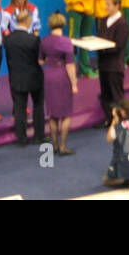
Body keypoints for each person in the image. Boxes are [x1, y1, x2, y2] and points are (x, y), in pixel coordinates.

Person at [3, 11, 46, 147]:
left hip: (16, 78)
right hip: (34, 77)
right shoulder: (34, 39)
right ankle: (38, 136)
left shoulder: (8, 39)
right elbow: (40, 59)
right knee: (38, 106)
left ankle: (21, 139)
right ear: (28, 21)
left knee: (19, 109)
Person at [40, 11, 79, 155]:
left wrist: (50, 60)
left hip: (49, 76)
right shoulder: (66, 42)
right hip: (62, 77)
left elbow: (40, 61)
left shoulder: (44, 40)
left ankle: (54, 146)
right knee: (66, 113)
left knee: (53, 114)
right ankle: (63, 146)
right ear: (63, 23)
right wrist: (74, 84)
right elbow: (70, 66)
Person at [96, 0, 129, 126]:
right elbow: (100, 38)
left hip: (115, 66)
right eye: (106, 4)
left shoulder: (122, 23)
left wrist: (103, 48)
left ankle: (121, 121)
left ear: (117, 5)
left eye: (109, 4)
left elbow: (119, 45)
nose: (106, 7)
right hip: (103, 64)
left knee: (116, 95)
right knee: (105, 94)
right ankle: (109, 119)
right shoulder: (104, 20)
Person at [63, 0, 98, 78]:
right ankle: (70, 71)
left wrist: (91, 9)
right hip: (75, 12)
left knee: (86, 41)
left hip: (88, 12)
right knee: (72, 41)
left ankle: (85, 69)